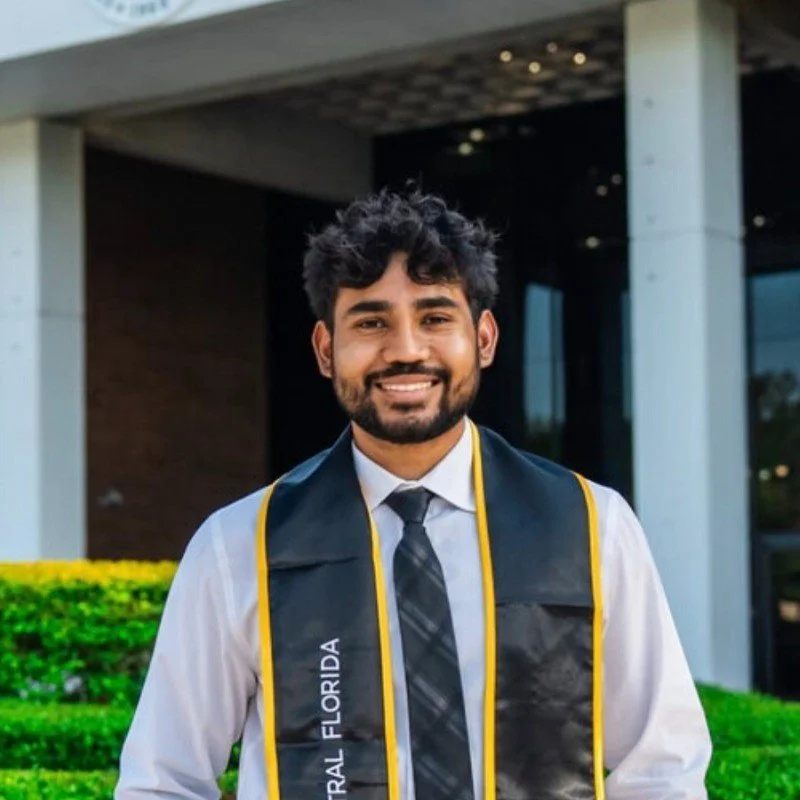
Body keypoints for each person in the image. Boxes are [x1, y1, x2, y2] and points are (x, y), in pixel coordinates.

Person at [116, 189, 712, 800]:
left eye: (434, 318)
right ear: (326, 350)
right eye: (372, 322)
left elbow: (662, 769)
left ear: (483, 337)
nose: (405, 350)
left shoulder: (590, 527)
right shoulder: (240, 546)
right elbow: (164, 781)